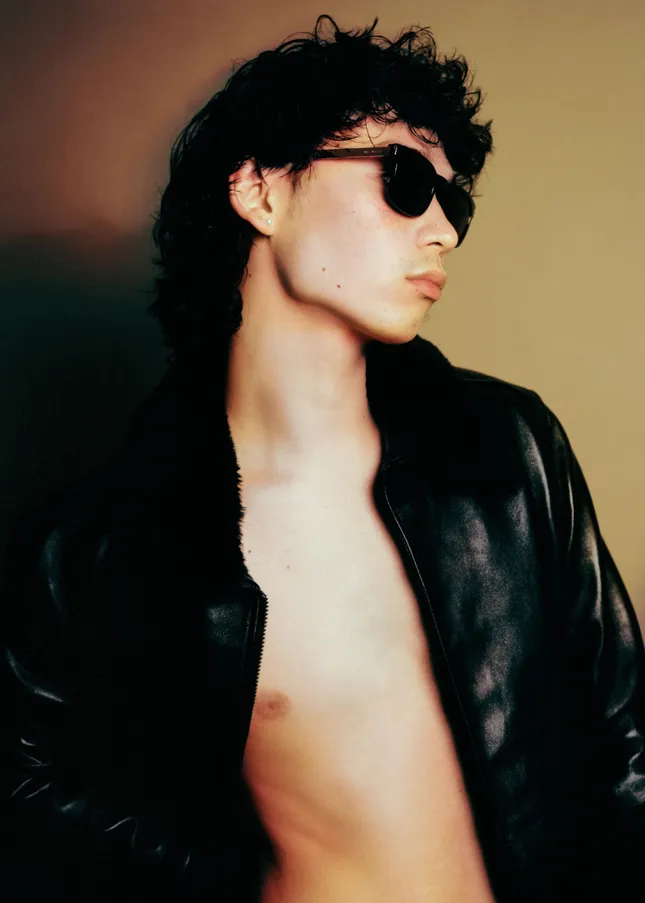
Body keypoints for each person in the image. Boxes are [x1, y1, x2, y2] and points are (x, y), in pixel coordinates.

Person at [1, 13, 644, 903]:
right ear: (260, 192)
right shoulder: (107, 548)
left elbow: (626, 745)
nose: (444, 231)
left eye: (452, 203)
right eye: (404, 181)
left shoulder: (509, 453)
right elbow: (30, 797)